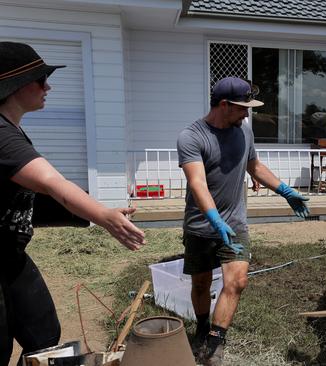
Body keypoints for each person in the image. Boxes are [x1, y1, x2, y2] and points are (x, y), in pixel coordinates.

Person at [0, 42, 146, 365]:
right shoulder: (2, 135)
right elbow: (56, 185)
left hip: (10, 256)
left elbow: (35, 201)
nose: (47, 86)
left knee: (43, 335)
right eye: (41, 80)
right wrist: (105, 216)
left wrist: (94, 214)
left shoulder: (13, 131)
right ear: (14, 85)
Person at [176, 76, 309, 366]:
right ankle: (200, 326)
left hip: (235, 223)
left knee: (237, 282)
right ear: (223, 105)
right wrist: (212, 218)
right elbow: (197, 182)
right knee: (200, 284)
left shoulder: (243, 131)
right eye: (242, 108)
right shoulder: (192, 136)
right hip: (201, 225)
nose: (247, 113)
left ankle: (214, 343)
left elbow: (255, 166)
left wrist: (285, 191)